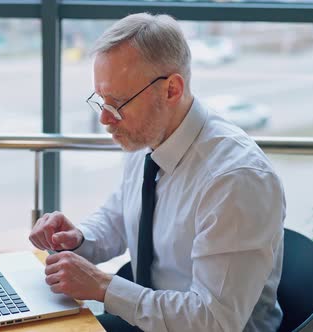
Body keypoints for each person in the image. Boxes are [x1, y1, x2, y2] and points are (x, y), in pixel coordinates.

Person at [29, 12, 285, 332]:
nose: (105, 120)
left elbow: (215, 321)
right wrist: (78, 238)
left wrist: (104, 288)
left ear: (171, 90)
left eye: (118, 103)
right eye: (102, 102)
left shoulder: (236, 180)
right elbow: (119, 217)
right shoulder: (149, 138)